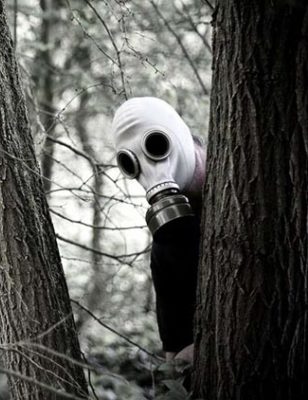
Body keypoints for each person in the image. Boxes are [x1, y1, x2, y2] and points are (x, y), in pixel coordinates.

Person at [111, 97, 206, 362]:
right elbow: (174, 359)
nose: (152, 168)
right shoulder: (169, 242)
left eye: (156, 146)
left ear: (179, 134)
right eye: (132, 163)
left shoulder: (246, 184)